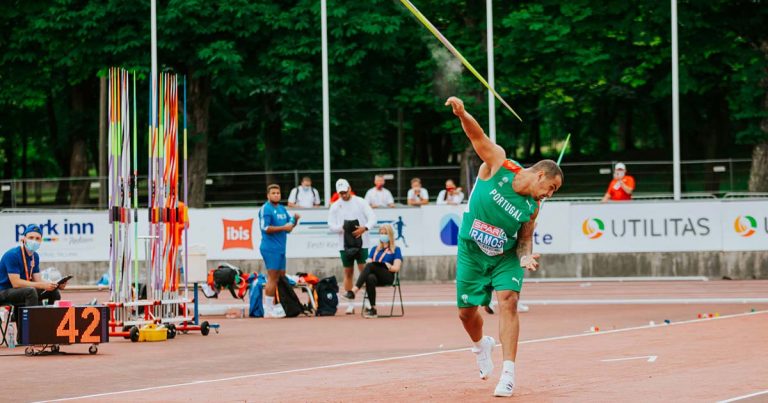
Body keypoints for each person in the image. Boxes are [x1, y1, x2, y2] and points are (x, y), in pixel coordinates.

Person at [445, 96, 563, 397]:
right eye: (551, 187)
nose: (550, 194)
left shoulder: (533, 207)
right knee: (465, 313)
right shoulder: (499, 163)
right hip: (472, 250)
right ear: (540, 175)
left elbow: (525, 240)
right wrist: (462, 113)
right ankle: (480, 345)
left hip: (505, 257)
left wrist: (525, 259)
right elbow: (477, 136)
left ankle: (508, 373)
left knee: (508, 300)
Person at [328, 178, 377, 314]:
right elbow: (331, 225)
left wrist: (364, 228)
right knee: (348, 272)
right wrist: (341, 227)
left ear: (349, 188)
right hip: (344, 244)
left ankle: (368, 301)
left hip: (363, 242)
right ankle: (350, 303)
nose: (343, 195)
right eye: (340, 193)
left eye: (345, 191)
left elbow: (373, 218)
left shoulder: (360, 202)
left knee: (364, 272)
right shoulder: (335, 206)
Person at [342, 224, 402, 318]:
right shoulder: (375, 249)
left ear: (390, 235)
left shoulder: (396, 250)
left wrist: (388, 266)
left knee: (370, 266)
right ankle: (373, 309)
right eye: (381, 233)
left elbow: (396, 268)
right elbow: (369, 263)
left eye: (385, 233)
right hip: (375, 275)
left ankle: (353, 291)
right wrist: (370, 263)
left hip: (387, 276)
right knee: (370, 277)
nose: (383, 235)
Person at [259, 184, 300, 318]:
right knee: (272, 277)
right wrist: (283, 227)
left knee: (281, 277)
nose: (276, 195)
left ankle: (279, 304)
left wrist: (295, 220)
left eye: (278, 193)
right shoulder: (266, 209)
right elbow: (266, 228)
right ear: (268, 195)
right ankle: (268, 309)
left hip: (281, 248)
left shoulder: (282, 208)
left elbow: (289, 226)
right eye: (273, 193)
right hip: (270, 248)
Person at [0, 225, 65, 309]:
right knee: (30, 291)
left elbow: (38, 280)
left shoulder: (35, 256)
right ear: (24, 239)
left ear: (41, 241)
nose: (34, 241)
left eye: (37, 238)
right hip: (4, 291)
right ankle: (33, 321)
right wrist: (42, 285)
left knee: (53, 292)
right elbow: (16, 283)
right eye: (31, 237)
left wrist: (55, 284)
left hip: (22, 291)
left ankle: (49, 319)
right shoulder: (13, 255)